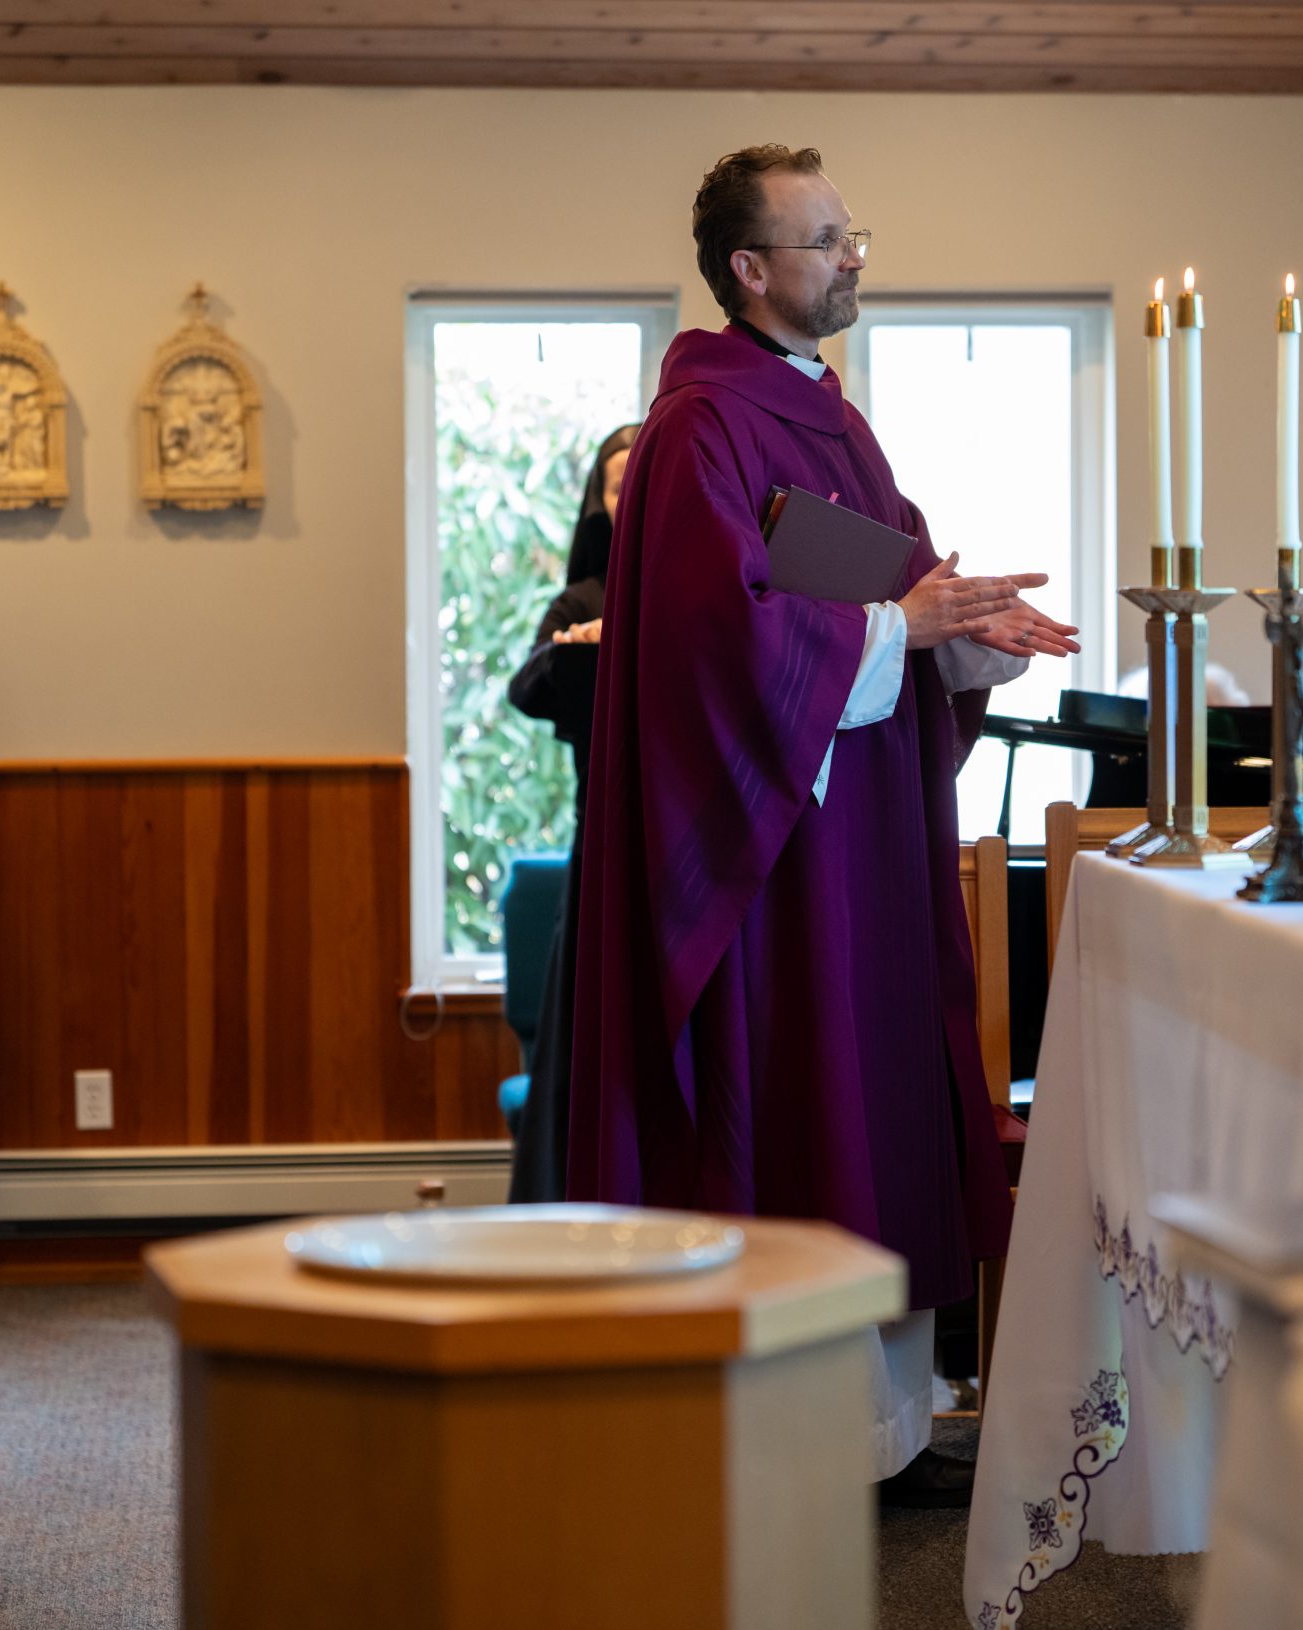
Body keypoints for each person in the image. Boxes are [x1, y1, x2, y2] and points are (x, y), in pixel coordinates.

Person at [569, 145, 1077, 1507]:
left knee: (876, 1102)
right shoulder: (699, 428)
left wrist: (967, 638)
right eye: (828, 238)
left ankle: (888, 1432)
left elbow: (897, 591)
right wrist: (898, 627)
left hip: (858, 845)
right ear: (750, 269)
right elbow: (706, 644)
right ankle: (791, 1444)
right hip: (772, 863)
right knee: (796, 1107)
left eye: (854, 232)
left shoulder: (832, 421)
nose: (855, 255)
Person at [504, 423, 636, 1205]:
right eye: (618, 487)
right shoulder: (580, 599)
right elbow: (527, 686)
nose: (632, 499)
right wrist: (577, 644)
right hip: (605, 847)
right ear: (602, 505)